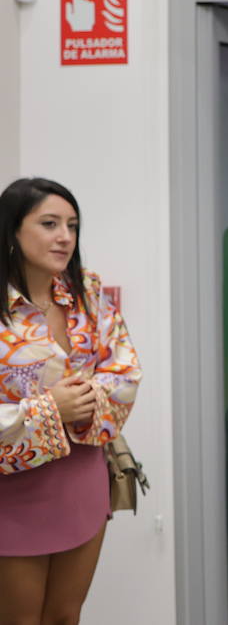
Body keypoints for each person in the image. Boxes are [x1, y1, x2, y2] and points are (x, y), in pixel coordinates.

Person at [0, 177, 142, 625]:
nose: (65, 236)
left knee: (65, 616)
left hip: (82, 477)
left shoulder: (88, 293)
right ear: (11, 231)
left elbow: (123, 372)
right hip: (12, 491)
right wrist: (49, 410)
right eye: (49, 223)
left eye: (72, 225)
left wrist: (76, 404)